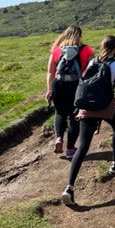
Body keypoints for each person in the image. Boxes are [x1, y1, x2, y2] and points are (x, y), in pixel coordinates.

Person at [61, 35, 115, 206]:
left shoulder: (92, 62)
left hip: (87, 108)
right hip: (106, 107)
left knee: (83, 147)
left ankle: (69, 188)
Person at [46, 25, 94, 159]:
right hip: (76, 85)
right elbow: (93, 71)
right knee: (75, 116)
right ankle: (70, 149)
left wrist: (49, 89)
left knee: (59, 112)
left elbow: (50, 72)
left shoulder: (56, 50)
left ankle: (59, 137)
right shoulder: (86, 50)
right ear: (80, 36)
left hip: (58, 85)